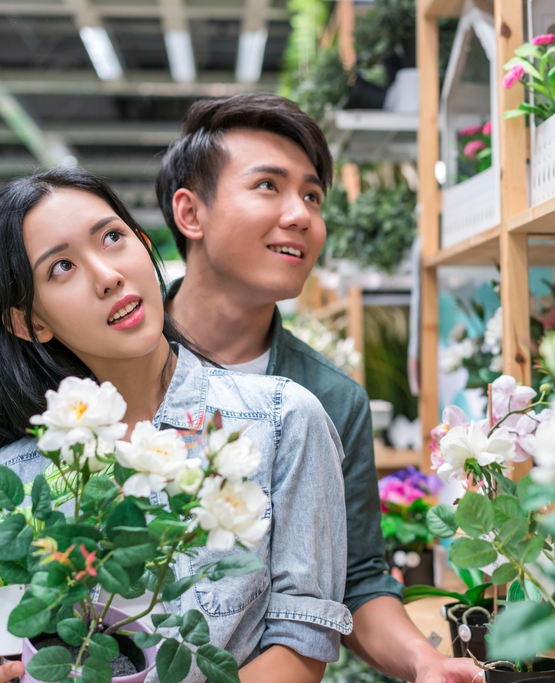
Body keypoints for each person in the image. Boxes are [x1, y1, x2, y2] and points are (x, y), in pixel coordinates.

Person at [0, 168, 350, 683]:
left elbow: (301, 650)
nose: (107, 275)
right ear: (30, 323)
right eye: (62, 267)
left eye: (112, 238)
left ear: (143, 243)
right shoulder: (12, 479)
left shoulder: (281, 420)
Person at [154, 94, 482, 683]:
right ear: (190, 213)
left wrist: (424, 662)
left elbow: (354, 578)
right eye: (268, 187)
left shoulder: (327, 401)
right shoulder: (108, 356)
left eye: (311, 195)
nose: (301, 215)